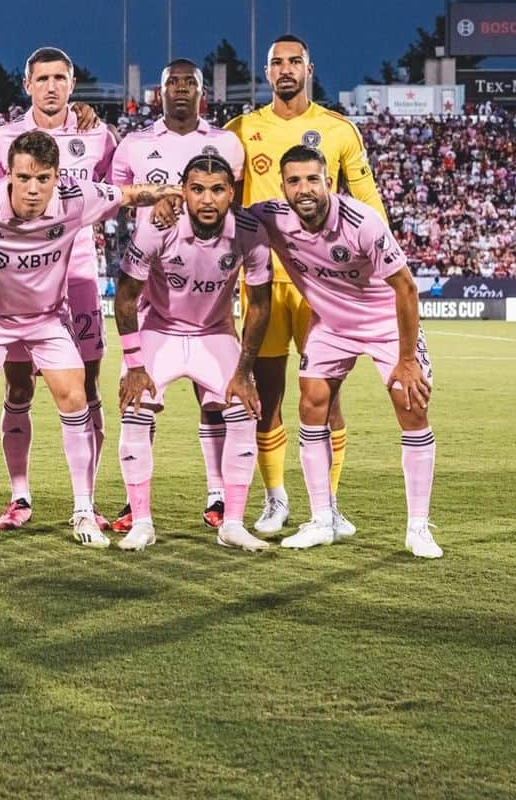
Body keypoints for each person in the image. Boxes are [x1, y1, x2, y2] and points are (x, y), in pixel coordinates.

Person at [0, 129, 173, 548]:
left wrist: (172, 192)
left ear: (57, 176)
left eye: (43, 178)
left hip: (46, 318)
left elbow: (130, 194)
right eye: (24, 178)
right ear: (8, 174)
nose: (33, 188)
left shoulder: (77, 198)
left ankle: (82, 510)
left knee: (74, 395)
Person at [227, 35, 387, 535]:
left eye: (295, 61)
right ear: (267, 72)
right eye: (277, 62)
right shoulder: (241, 130)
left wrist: (375, 272)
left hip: (324, 285)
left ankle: (329, 504)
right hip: (263, 283)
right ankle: (276, 499)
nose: (286, 69)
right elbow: (221, 201)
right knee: (266, 395)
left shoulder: (338, 130)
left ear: (310, 69)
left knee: (325, 397)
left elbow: (369, 206)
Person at [251, 146, 441, 558]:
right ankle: (323, 519)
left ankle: (418, 528)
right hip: (331, 325)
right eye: (294, 180)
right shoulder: (272, 216)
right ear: (282, 186)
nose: (304, 189)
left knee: (411, 405)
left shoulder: (363, 222)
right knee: (312, 404)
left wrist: (407, 361)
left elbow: (406, 288)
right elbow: (220, 212)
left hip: (384, 322)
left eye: (312, 179)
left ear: (329, 183)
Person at [0, 47, 118, 531]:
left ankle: (88, 500)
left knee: (86, 386)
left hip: (78, 273)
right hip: (20, 278)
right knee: (18, 386)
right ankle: (19, 497)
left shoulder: (97, 134)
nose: (52, 87)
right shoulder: (1, 139)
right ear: (27, 84)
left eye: (60, 78)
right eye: (43, 78)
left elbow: (114, 192)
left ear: (73, 83)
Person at [109, 59, 245, 533]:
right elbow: (119, 199)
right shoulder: (134, 144)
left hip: (206, 287)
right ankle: (135, 504)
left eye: (190, 82)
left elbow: (232, 205)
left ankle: (217, 494)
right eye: (173, 82)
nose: (182, 89)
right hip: (152, 277)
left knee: (216, 398)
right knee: (140, 393)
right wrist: (159, 206)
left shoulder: (227, 142)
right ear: (159, 92)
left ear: (202, 91)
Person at [114, 154, 272, 551]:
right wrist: (134, 364)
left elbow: (259, 305)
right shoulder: (158, 225)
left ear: (232, 193)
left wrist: (244, 371)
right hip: (159, 330)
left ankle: (233, 523)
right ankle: (142, 522)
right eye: (197, 189)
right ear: (183, 192)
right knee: (135, 408)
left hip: (213, 333)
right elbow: (126, 297)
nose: (207, 199)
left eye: (217, 190)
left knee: (244, 408)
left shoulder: (250, 231)